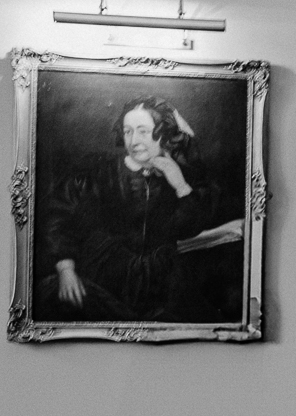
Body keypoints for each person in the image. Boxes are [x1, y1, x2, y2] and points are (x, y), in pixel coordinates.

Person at [39, 96, 219, 321]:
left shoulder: (179, 176)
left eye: (143, 131)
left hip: (161, 285)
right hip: (102, 277)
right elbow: (58, 216)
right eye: (127, 131)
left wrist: (180, 185)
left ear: (162, 133)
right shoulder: (98, 171)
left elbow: (188, 228)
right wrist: (65, 270)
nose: (134, 141)